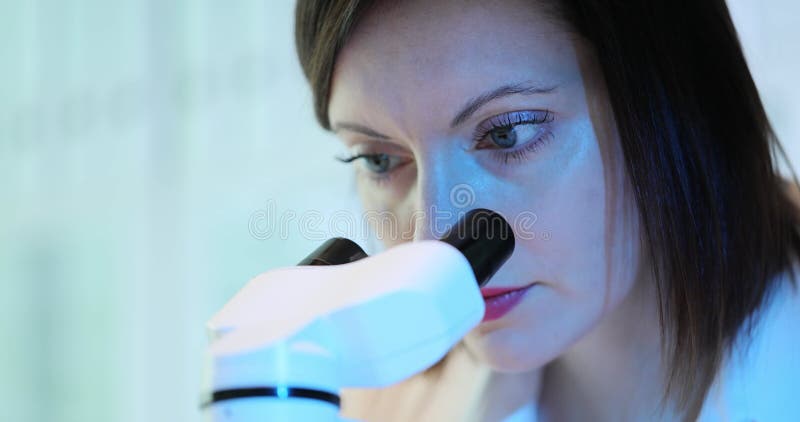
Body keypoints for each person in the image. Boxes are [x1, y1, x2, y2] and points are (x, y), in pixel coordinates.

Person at [293, 0, 800, 420]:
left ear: (671, 99)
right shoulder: (364, 405)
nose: (433, 241)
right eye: (379, 159)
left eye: (507, 133)